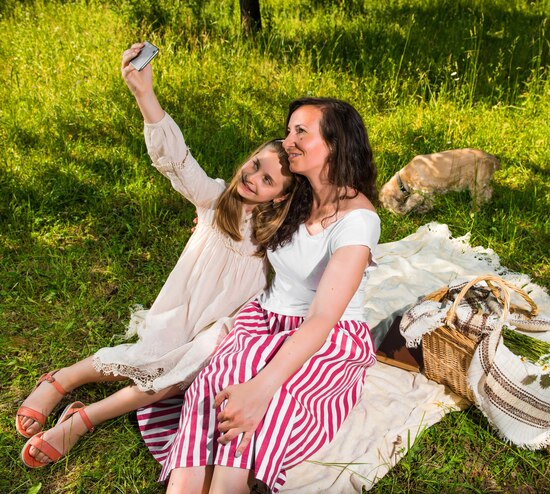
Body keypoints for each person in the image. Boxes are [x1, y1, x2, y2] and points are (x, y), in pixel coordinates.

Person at [17, 42, 299, 468]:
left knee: (178, 374)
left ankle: (82, 421)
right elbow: (178, 161)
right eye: (255, 164)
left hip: (222, 328)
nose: (253, 178)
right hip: (185, 309)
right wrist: (144, 95)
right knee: (147, 356)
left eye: (268, 179)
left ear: (281, 199)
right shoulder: (214, 201)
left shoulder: (280, 240)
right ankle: (63, 379)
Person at [139, 96, 381, 493]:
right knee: (215, 383)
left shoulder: (358, 220)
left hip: (325, 337)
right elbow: (222, 200)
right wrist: (146, 96)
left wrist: (261, 387)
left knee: (275, 402)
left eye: (301, 132)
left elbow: (322, 318)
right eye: (289, 130)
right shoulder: (290, 192)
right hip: (262, 319)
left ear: (335, 145)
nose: (288, 140)